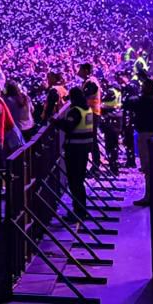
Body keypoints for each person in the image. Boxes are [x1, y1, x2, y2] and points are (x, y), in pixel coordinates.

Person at [128, 74, 153, 207]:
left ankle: (149, 196)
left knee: (148, 167)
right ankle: (150, 195)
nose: (141, 87)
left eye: (143, 86)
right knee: (149, 167)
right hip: (152, 133)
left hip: (146, 134)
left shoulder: (146, 100)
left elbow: (130, 103)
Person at [56, 87, 94, 221]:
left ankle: (79, 211)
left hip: (74, 149)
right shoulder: (87, 109)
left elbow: (68, 126)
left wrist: (56, 122)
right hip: (84, 149)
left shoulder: (75, 111)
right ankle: (81, 210)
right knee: (79, 181)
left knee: (74, 182)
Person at [78, 63, 101, 172]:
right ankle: (94, 164)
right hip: (89, 113)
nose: (78, 72)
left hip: (92, 113)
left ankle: (96, 165)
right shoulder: (89, 81)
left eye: (80, 70)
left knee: (92, 139)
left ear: (86, 70)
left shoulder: (91, 82)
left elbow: (85, 95)